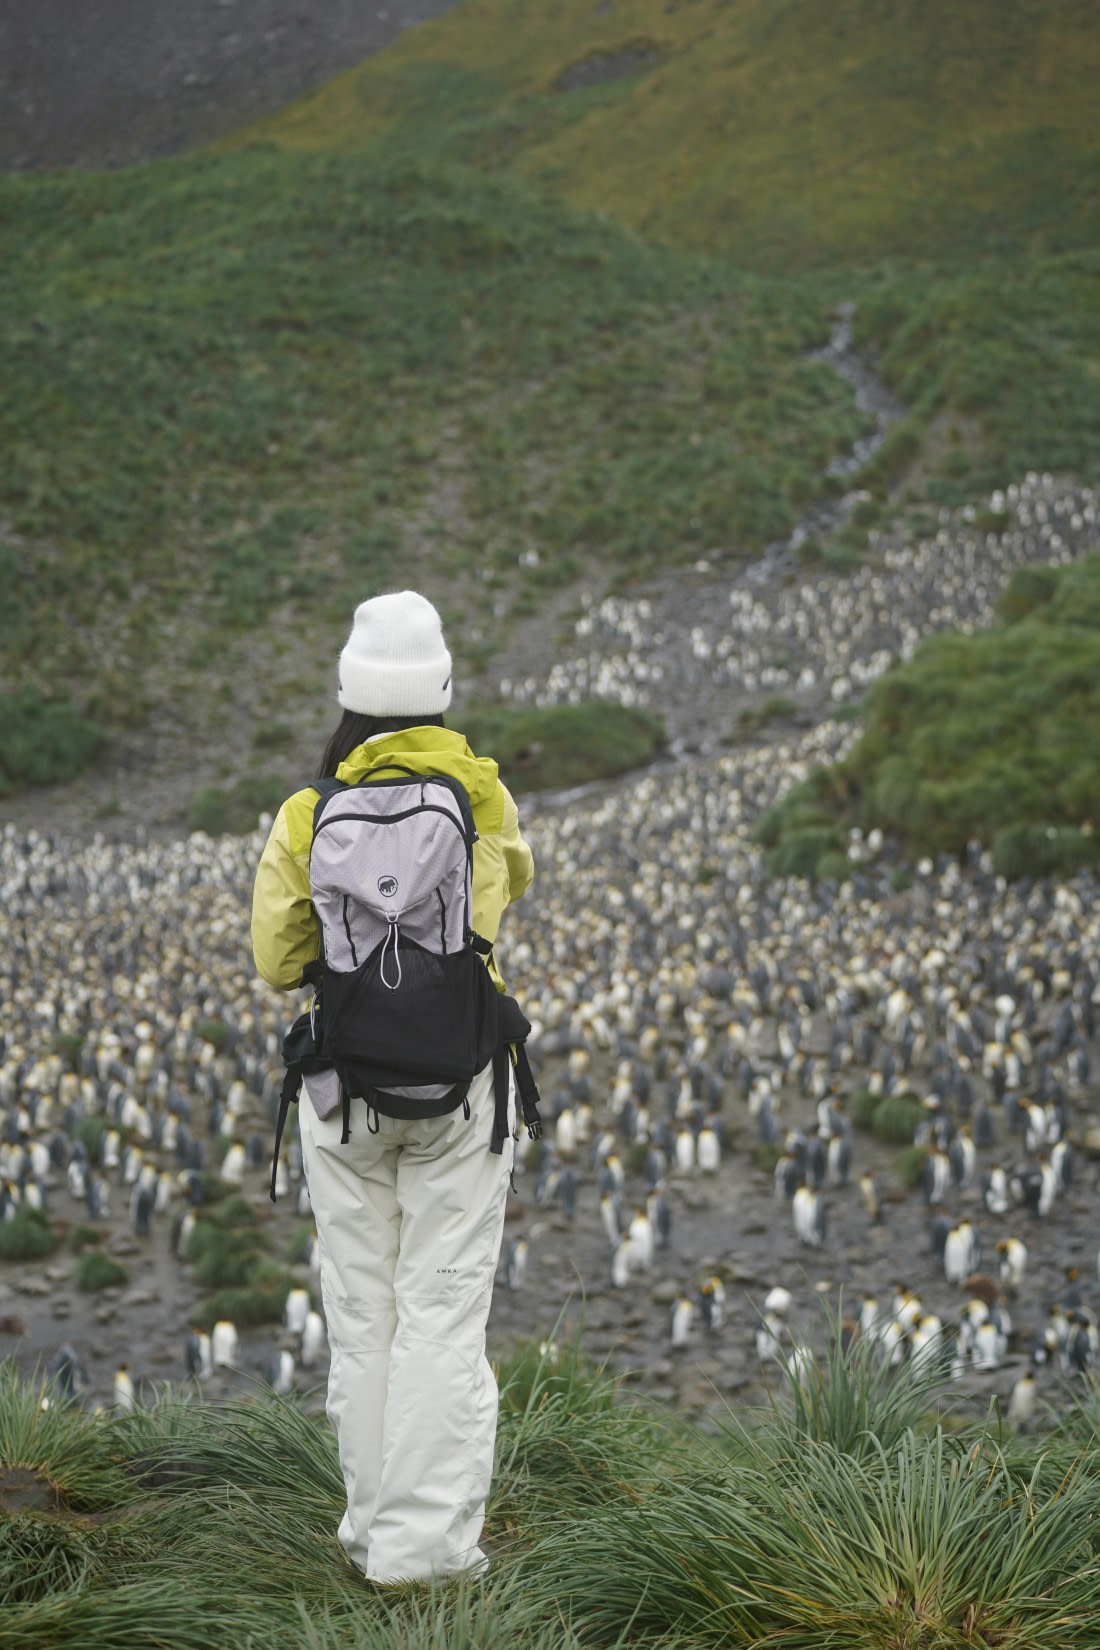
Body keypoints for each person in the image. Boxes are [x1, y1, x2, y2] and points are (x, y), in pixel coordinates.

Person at [251, 589, 534, 1585]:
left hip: (345, 1088)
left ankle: (372, 1530)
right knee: (441, 1314)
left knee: (363, 1315)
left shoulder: (305, 812)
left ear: (346, 692)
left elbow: (276, 959)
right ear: (443, 692)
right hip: (461, 1091)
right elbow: (509, 893)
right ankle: (426, 1553)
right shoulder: (481, 798)